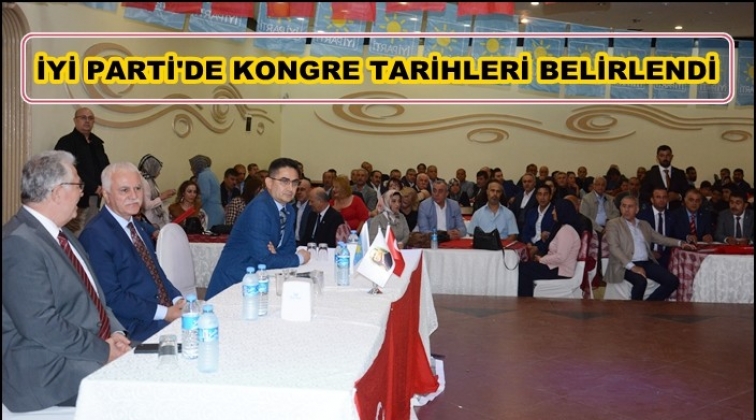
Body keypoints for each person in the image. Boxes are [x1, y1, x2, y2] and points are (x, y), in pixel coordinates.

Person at [2, 151, 130, 412]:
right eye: (78, 185)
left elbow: (95, 297)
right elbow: (41, 325)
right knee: (141, 389)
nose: (82, 193)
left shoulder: (63, 235)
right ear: (58, 192)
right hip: (45, 370)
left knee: (162, 362)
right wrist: (103, 351)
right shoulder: (18, 243)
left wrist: (115, 333)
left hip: (78, 351)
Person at [80, 162, 185, 342]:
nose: (134, 196)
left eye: (137, 188)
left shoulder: (136, 225)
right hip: (135, 327)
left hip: (161, 312)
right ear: (106, 194)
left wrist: (177, 299)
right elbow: (111, 296)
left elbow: (156, 272)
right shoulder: (95, 234)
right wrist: (165, 313)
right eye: (124, 190)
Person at [206, 158, 312, 300]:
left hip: (260, 280)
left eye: (294, 183)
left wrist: (276, 256)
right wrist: (299, 258)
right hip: (235, 281)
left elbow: (289, 248)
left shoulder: (289, 210)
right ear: (269, 183)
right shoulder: (260, 208)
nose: (290, 188)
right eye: (284, 181)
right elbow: (265, 259)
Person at [604, 195, 695, 301]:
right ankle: (635, 309)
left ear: (637, 209)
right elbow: (614, 248)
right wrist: (633, 267)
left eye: (630, 206)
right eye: (624, 206)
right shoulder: (613, 224)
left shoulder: (644, 224)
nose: (626, 209)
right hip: (623, 265)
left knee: (672, 281)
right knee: (641, 282)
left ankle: (649, 305)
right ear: (620, 208)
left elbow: (660, 238)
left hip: (645, 262)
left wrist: (681, 243)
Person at [54, 107, 110, 234]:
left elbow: (105, 166)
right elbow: (68, 170)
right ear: (75, 120)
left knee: (91, 232)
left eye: (90, 118)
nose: (87, 121)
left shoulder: (97, 143)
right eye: (83, 118)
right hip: (75, 199)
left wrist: (105, 185)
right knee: (74, 235)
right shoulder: (66, 142)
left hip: (95, 197)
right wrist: (93, 187)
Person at [517, 199, 582, 297]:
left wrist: (541, 259)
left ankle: (525, 300)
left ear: (562, 212)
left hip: (560, 271)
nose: (552, 212)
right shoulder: (564, 228)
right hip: (555, 267)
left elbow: (560, 257)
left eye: (555, 210)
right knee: (524, 267)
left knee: (524, 270)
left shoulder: (567, 231)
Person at [639, 145, 689, 211]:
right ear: (657, 157)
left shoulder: (680, 173)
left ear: (672, 157)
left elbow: (687, 192)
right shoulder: (649, 174)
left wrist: (678, 196)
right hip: (656, 211)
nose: (665, 158)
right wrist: (656, 197)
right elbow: (643, 193)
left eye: (667, 155)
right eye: (662, 155)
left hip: (676, 211)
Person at [637, 187, 675, 269]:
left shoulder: (672, 216)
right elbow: (637, 239)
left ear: (668, 199)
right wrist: (649, 253)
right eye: (658, 197)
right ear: (652, 199)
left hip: (667, 256)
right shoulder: (642, 216)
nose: (661, 200)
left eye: (664, 197)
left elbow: (675, 236)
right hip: (647, 256)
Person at [137, 154, 175, 229]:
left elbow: (152, 197)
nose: (159, 173)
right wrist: (162, 197)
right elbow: (146, 205)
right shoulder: (144, 182)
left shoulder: (150, 180)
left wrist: (166, 194)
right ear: (151, 169)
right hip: (150, 218)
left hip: (155, 216)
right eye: (158, 170)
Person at [189, 155, 224, 228]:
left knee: (209, 233)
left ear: (197, 166)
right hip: (217, 210)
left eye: (192, 166)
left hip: (210, 211)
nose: (191, 169)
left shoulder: (203, 176)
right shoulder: (211, 174)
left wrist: (195, 207)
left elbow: (204, 195)